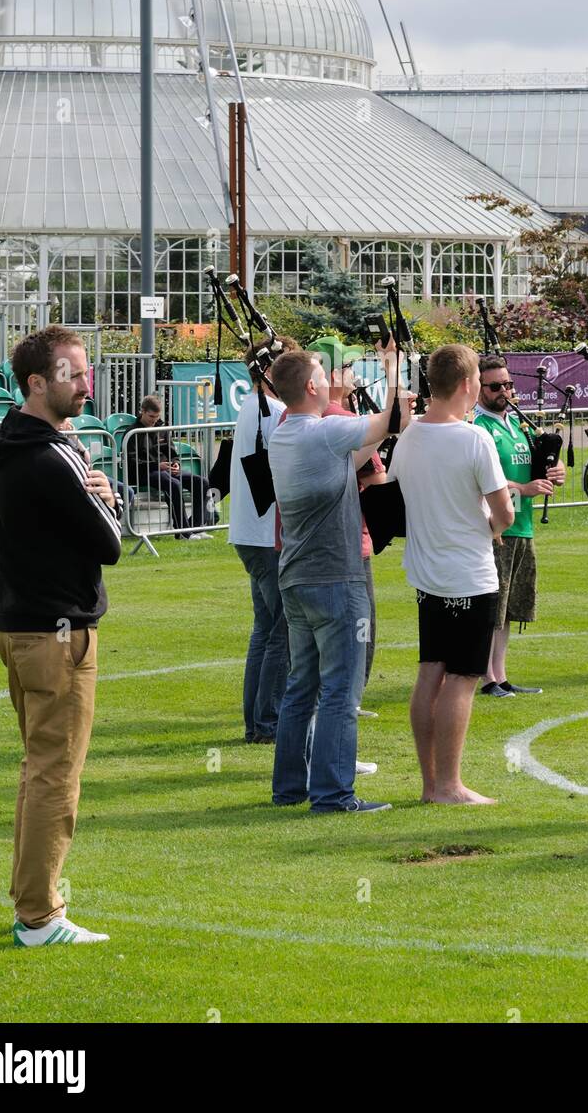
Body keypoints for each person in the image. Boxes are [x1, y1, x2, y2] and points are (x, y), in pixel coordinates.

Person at [0, 325, 122, 946]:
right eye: (72, 373)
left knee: (39, 769)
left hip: (22, 628)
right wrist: (105, 500)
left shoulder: (14, 445)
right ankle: (39, 915)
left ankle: (31, 901)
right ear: (37, 383)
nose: (85, 384)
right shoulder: (47, 454)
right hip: (56, 634)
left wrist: (94, 494)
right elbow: (109, 545)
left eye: (86, 371)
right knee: (56, 775)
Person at [267, 342, 405, 814]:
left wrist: (386, 412)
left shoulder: (287, 432)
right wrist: (393, 371)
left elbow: (366, 443)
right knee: (340, 690)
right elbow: (389, 422)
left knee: (301, 685)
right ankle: (333, 793)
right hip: (334, 578)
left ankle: (289, 788)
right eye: (324, 373)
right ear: (310, 386)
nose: (331, 377)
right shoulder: (322, 431)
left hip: (297, 578)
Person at [388, 344, 515, 805]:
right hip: (467, 572)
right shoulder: (473, 438)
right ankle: (448, 785)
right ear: (466, 385)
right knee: (462, 677)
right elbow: (502, 511)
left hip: (427, 572)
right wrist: (493, 526)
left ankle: (430, 783)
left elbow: (397, 489)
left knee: (430, 671)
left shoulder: (410, 437)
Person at [473, 355, 565, 698]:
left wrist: (554, 474)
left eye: (508, 384)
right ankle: (486, 678)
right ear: (479, 388)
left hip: (522, 525)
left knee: (510, 608)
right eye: (495, 386)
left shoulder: (517, 424)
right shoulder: (479, 427)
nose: (505, 391)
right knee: (493, 607)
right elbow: (482, 481)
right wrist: (522, 488)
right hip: (497, 527)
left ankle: (501, 674)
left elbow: (533, 468)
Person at [309, 334, 387, 720]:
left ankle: (329, 702)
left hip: (311, 548)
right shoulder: (340, 419)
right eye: (349, 367)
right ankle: (347, 702)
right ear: (331, 375)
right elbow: (376, 477)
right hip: (350, 540)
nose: (356, 375)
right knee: (361, 626)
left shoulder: (304, 420)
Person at [228, 334, 298, 745]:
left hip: (250, 533)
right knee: (282, 630)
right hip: (265, 535)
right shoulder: (271, 410)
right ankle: (267, 721)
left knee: (266, 627)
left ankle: (258, 721)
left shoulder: (253, 407)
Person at [126, 395, 215, 539]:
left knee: (202, 482)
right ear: (142, 411)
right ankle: (183, 532)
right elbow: (132, 461)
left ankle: (196, 528)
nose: (154, 420)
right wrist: (157, 465)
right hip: (144, 472)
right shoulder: (132, 432)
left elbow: (172, 453)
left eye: (156, 417)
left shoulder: (162, 429)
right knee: (173, 484)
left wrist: (175, 463)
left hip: (165, 470)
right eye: (151, 416)